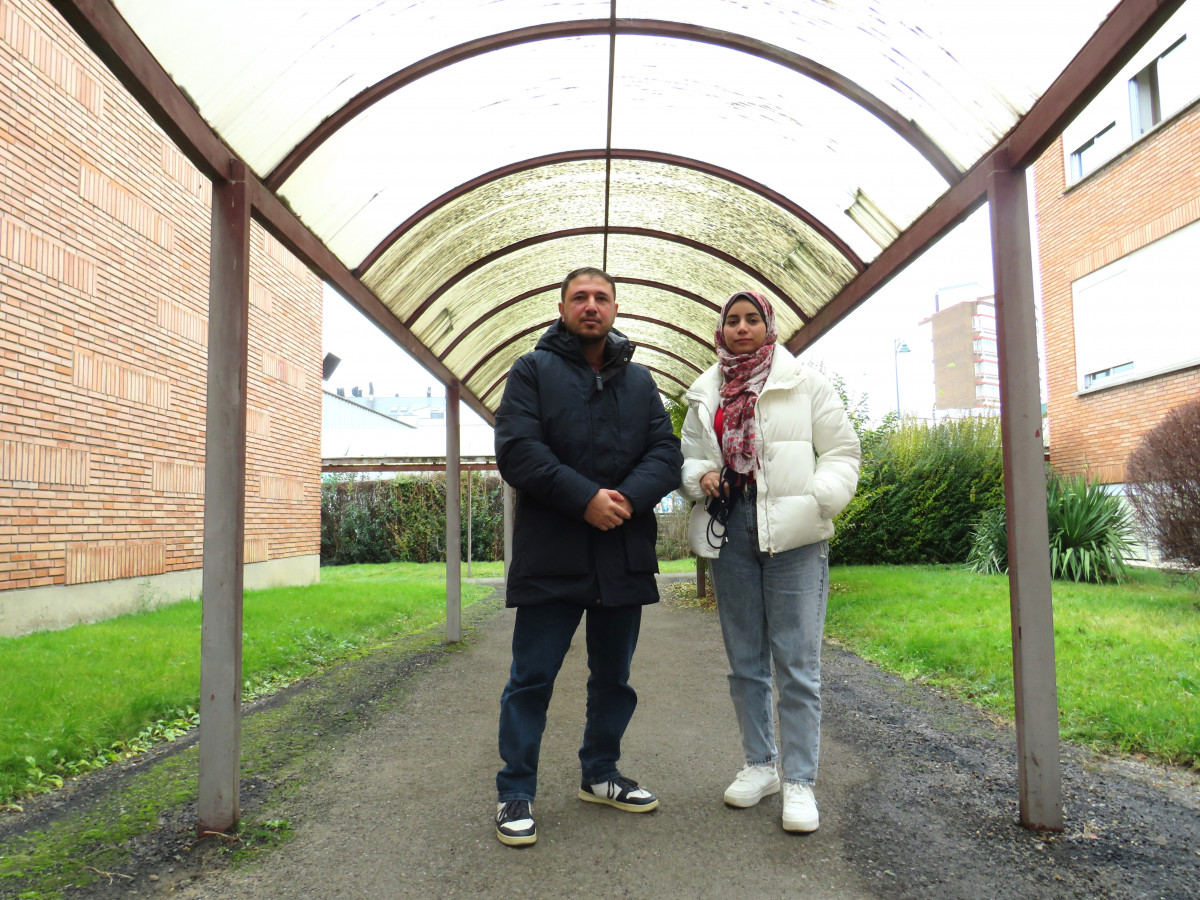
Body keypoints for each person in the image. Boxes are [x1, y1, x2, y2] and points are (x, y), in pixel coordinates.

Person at [491, 266, 683, 847]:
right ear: (562, 307)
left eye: (601, 297)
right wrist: (586, 500)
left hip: (621, 555)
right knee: (531, 678)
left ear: (616, 308)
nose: (591, 306)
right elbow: (518, 452)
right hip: (554, 558)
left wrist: (624, 499)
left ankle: (600, 775)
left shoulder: (641, 381)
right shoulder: (532, 371)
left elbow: (666, 452)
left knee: (614, 679)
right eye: (580, 297)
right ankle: (515, 791)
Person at [679, 290, 860, 833]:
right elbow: (688, 458)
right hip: (731, 533)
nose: (741, 328)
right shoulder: (703, 392)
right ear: (721, 330)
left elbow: (843, 452)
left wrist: (819, 498)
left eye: (751, 319)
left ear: (768, 325)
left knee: (798, 665)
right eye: (731, 320)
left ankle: (800, 780)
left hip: (796, 537)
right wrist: (699, 477)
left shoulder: (806, 384)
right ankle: (761, 766)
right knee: (746, 661)